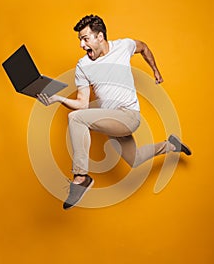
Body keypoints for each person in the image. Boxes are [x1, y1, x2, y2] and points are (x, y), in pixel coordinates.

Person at [37, 14, 191, 210]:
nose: (82, 45)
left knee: (75, 119)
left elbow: (143, 47)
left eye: (85, 39)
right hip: (110, 120)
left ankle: (81, 176)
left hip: (128, 115)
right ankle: (171, 145)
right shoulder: (83, 66)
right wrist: (57, 98)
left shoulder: (123, 46)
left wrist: (155, 70)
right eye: (80, 40)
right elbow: (82, 104)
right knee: (135, 160)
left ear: (100, 37)